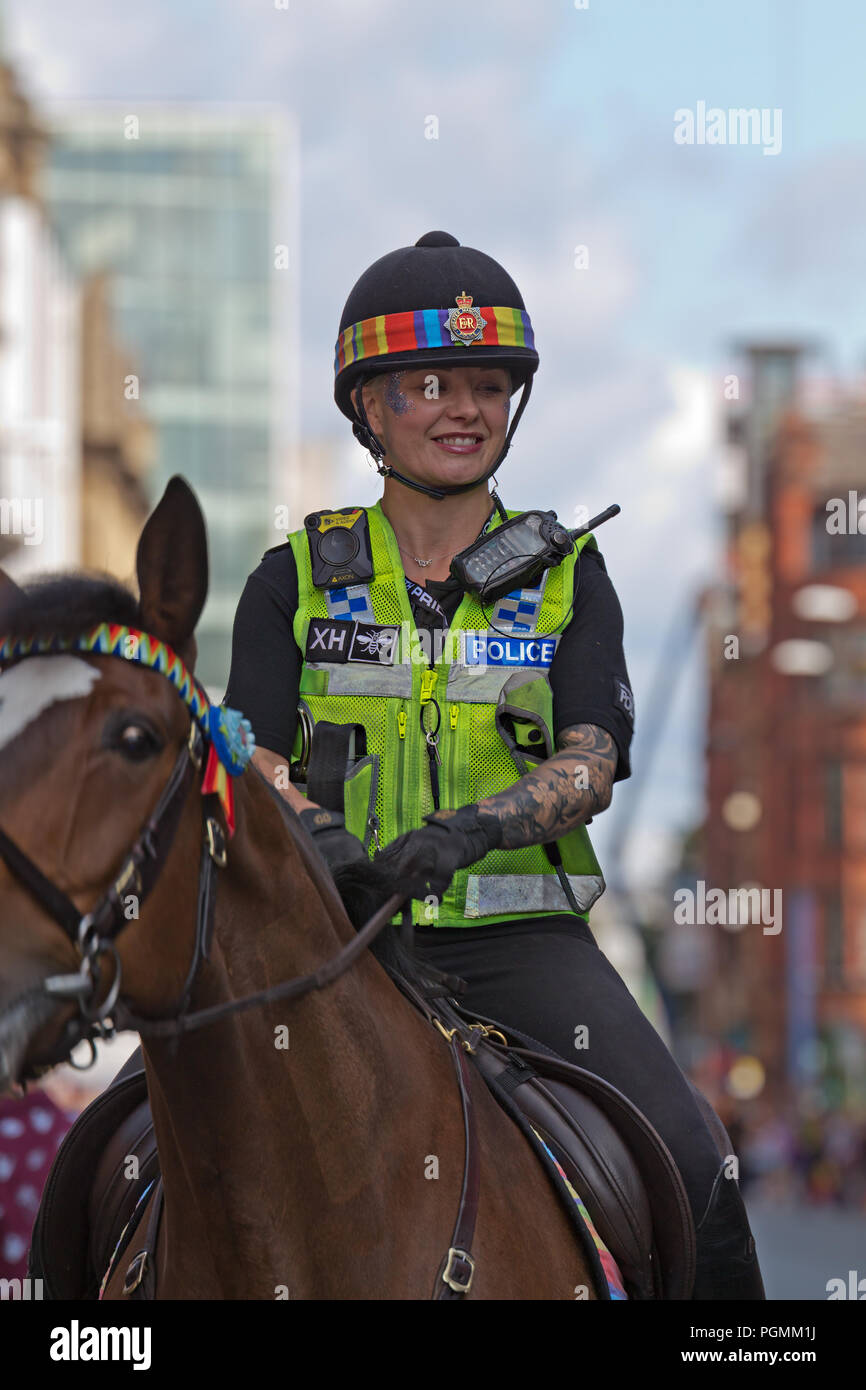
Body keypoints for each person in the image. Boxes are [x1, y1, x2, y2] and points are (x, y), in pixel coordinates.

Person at [224, 229, 765, 1300]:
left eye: (487, 384)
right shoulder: (290, 581)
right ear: (367, 407)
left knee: (696, 1160)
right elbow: (253, 758)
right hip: (328, 943)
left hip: (520, 947)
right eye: (429, 383)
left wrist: (474, 827)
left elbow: (591, 760)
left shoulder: (571, 577)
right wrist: (322, 839)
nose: (463, 408)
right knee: (126, 1142)